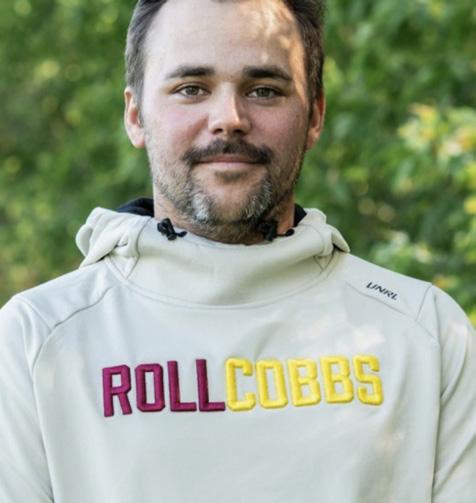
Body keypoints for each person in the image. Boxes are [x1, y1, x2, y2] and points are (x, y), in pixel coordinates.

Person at [0, 0, 475, 501]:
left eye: (264, 90)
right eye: (191, 88)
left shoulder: (424, 333)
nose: (229, 119)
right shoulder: (36, 340)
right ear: (135, 115)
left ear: (315, 115)